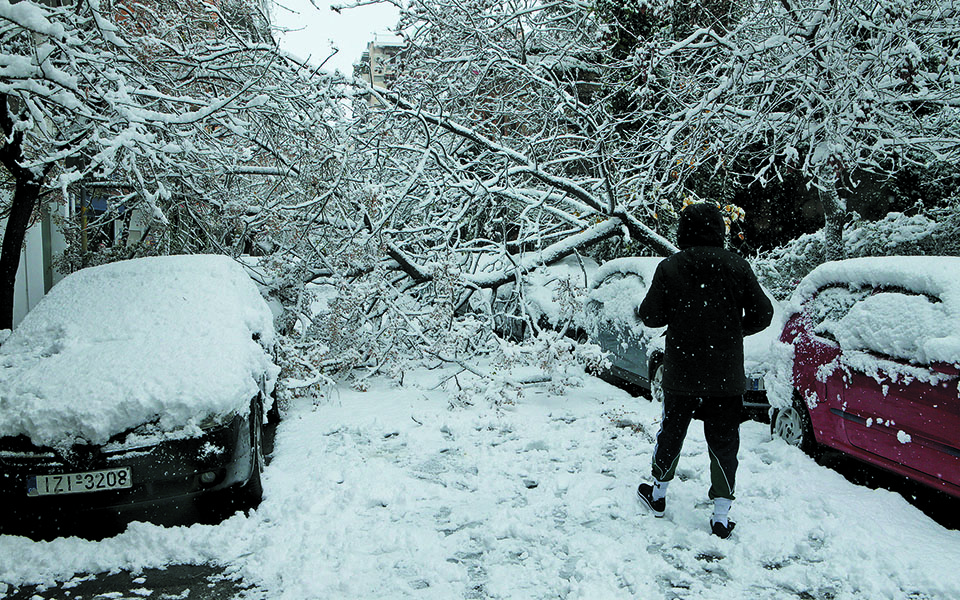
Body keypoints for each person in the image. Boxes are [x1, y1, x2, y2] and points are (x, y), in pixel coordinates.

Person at [634, 202, 774, 539]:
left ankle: (658, 494)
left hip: (682, 372)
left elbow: (650, 316)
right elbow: (764, 314)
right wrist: (732, 329)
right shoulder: (737, 266)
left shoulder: (671, 267)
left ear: (683, 231)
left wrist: (681, 316)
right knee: (724, 442)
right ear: (719, 231)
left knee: (672, 432)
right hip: (725, 376)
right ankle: (722, 516)